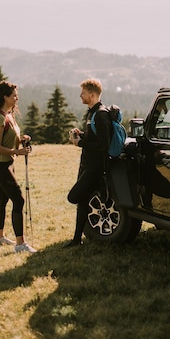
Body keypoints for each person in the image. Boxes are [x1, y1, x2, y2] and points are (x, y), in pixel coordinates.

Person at [0, 80, 36, 253]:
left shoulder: (9, 116)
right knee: (19, 199)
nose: (17, 98)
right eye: (14, 96)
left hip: (8, 163)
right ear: (5, 97)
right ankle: (20, 244)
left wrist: (22, 139)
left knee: (2, 200)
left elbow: (10, 139)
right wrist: (18, 152)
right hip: (1, 165)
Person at [65, 78, 113, 247]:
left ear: (92, 95)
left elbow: (103, 144)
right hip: (86, 164)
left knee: (74, 197)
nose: (80, 96)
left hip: (95, 167)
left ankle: (102, 193)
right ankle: (77, 239)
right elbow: (94, 137)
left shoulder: (101, 114)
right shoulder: (91, 113)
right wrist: (82, 135)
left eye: (83, 93)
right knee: (82, 202)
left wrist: (81, 143)